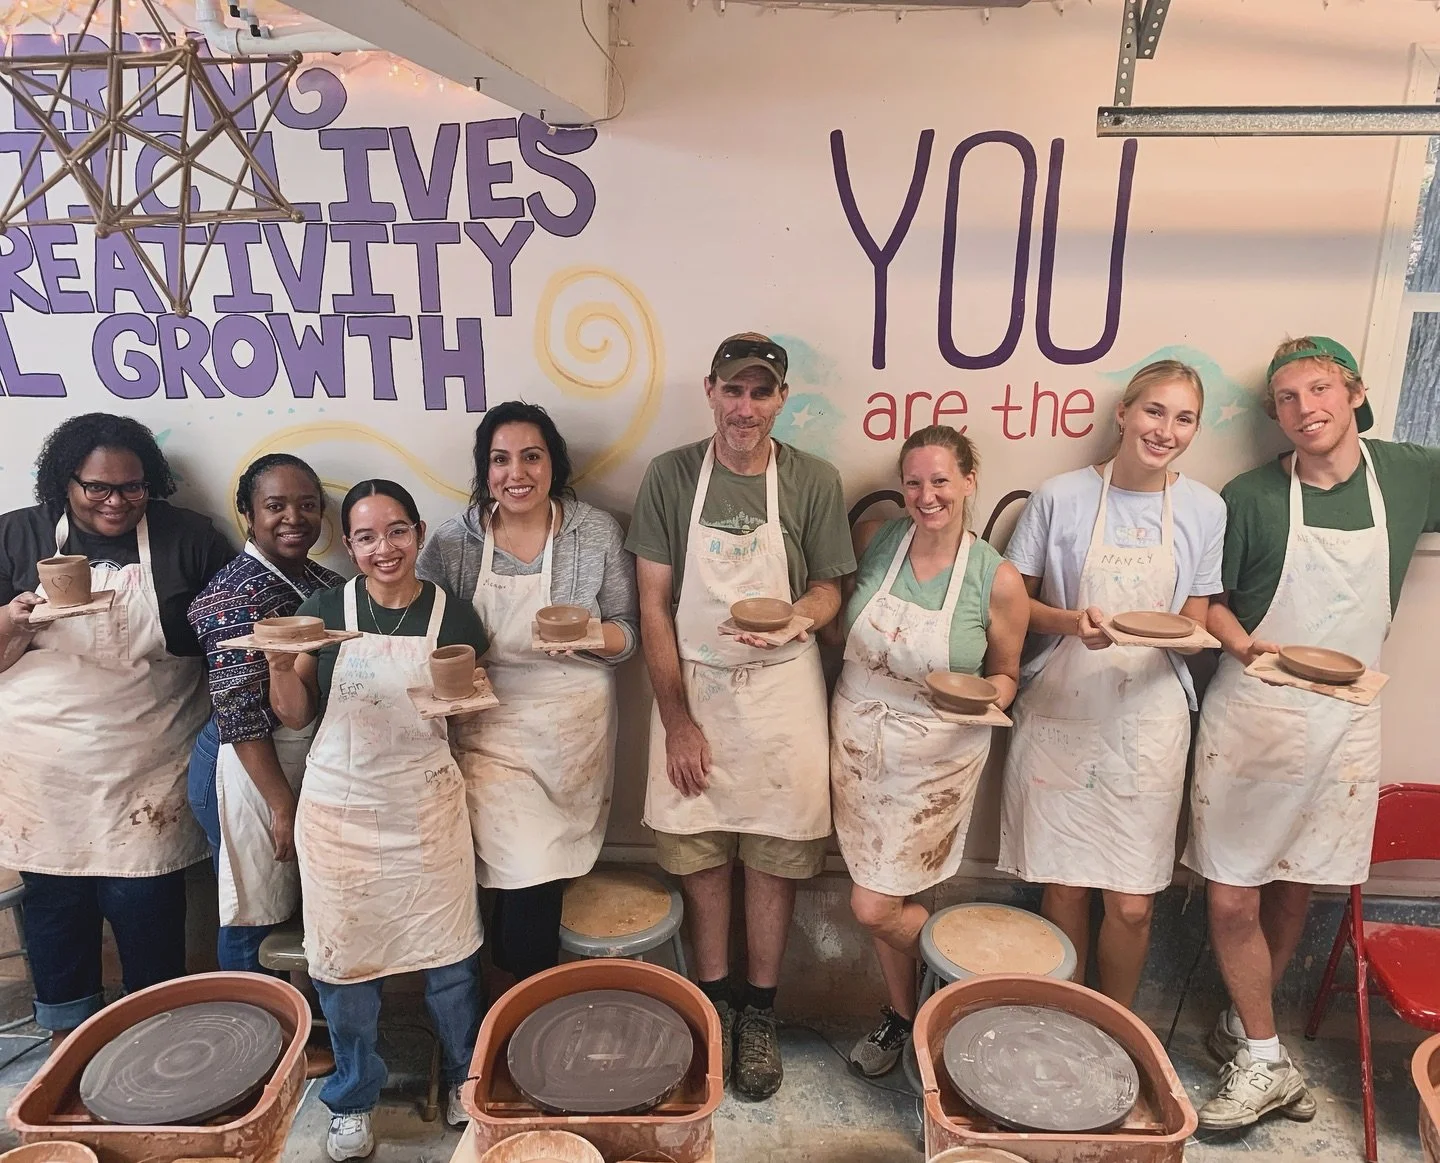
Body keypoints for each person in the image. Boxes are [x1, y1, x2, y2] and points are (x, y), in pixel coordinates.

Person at [1186, 337, 1440, 1131]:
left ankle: (1242, 1026)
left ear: (1356, 392)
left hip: (1350, 718)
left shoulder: (1409, 473)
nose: (1307, 410)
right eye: (1288, 399)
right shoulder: (1253, 494)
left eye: (1321, 389)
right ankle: (1267, 1058)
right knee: (1232, 890)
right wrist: (1242, 644)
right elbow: (1208, 602)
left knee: (1297, 878)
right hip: (1256, 710)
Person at [628, 332, 855, 1101]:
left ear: (781, 398)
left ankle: (759, 1012)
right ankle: (715, 1002)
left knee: (775, 855)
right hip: (695, 686)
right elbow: (653, 606)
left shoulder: (813, 479)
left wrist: (800, 616)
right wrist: (679, 720)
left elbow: (830, 585)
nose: (746, 406)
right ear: (710, 390)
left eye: (761, 392)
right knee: (700, 856)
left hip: (784, 691)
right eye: (734, 390)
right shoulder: (670, 476)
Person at [267, 480, 489, 1162]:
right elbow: (297, 713)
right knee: (343, 967)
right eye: (366, 536)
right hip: (340, 813)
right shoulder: (324, 610)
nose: (383, 548)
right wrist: (278, 662)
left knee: (451, 960)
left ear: (418, 533)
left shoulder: (455, 617)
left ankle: (464, 1080)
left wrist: (460, 703)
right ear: (351, 544)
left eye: (395, 531)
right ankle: (354, 1101)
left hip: (424, 803)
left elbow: (468, 698)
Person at [997, 360, 1225, 1009]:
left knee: (1130, 903)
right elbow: (1013, 605)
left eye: (1184, 418)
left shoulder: (1205, 509)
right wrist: (1075, 622)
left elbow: (1198, 621)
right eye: (1155, 411)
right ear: (1124, 414)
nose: (1166, 430)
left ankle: (1113, 1025)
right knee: (1064, 885)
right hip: (1063, 708)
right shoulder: (1061, 496)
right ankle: (1065, 1018)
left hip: (1148, 721)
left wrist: (1157, 634)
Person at [0, 413, 231, 1040]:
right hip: (43, 768)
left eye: (131, 488)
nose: (115, 502)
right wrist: (16, 623)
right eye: (96, 488)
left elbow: (226, 648)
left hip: (147, 759)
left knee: (144, 901)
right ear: (64, 483)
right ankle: (66, 1044)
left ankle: (151, 1040)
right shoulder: (16, 537)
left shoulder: (191, 541)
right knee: (55, 906)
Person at [418, 401, 638, 980]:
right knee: (523, 868)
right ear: (484, 470)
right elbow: (424, 628)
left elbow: (629, 632)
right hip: (487, 721)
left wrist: (592, 634)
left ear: (553, 465)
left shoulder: (595, 533)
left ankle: (513, 1014)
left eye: (531, 457)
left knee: (534, 881)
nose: (516, 473)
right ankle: (515, 1013)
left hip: (573, 729)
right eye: (500, 460)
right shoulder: (452, 542)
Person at [832, 425, 1027, 1077]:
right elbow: (842, 625)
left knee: (875, 904)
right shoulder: (877, 542)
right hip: (859, 740)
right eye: (914, 481)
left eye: (941, 479)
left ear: (969, 480)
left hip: (937, 750)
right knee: (879, 883)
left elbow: (1007, 677)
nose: (926, 494)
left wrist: (973, 690)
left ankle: (975, 987)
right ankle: (904, 1015)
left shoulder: (994, 578)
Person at [186, 454, 345, 973]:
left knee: (290, 903)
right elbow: (238, 713)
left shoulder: (320, 581)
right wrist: (280, 804)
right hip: (246, 764)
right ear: (248, 514)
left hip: (298, 755)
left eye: (306, 505)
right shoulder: (234, 593)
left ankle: (294, 1029)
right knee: (251, 907)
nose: (293, 518)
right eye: (275, 506)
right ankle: (248, 1036)